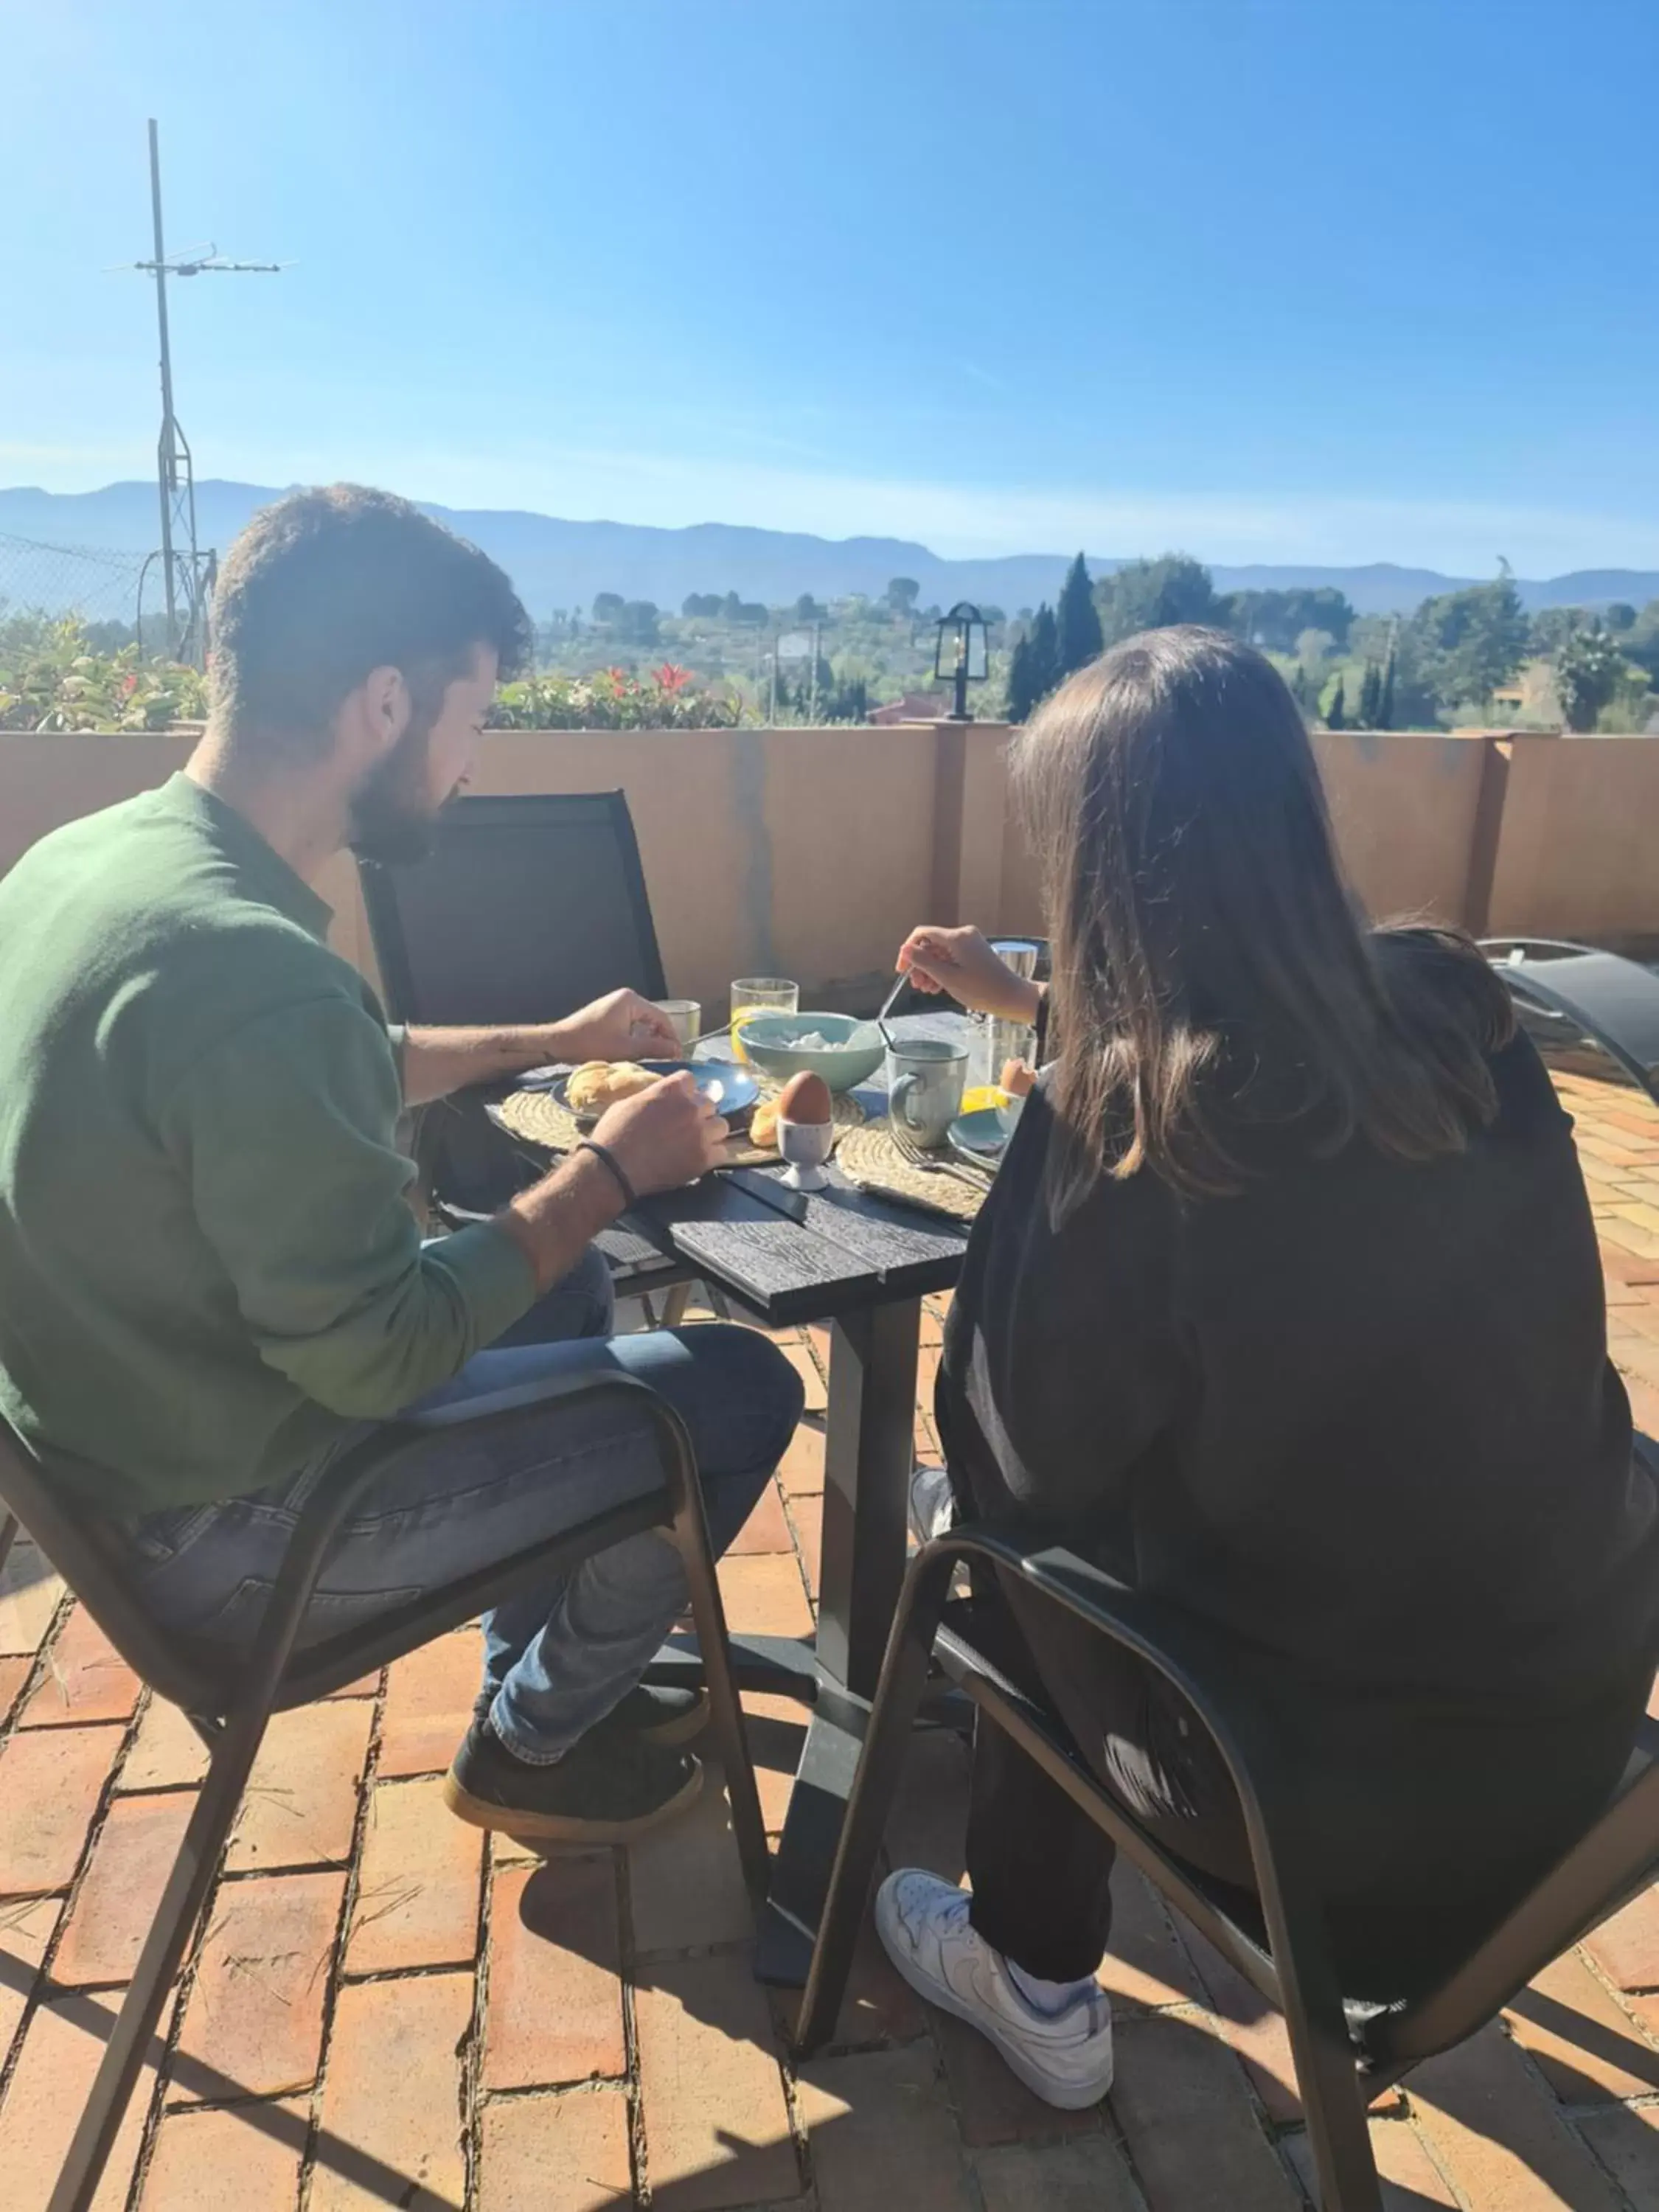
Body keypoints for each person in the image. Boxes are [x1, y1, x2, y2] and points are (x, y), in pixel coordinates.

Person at [882, 625, 1659, 2110]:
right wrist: (1048, 1019)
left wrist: (1055, 1112)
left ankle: (1035, 1974)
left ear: (1098, 865)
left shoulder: (1127, 1127)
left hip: (1313, 1820)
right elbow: (1273, 1074)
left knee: (983, 1530)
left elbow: (1009, 1449)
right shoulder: (1458, 1016)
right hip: (1563, 1750)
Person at [0, 484, 803, 1846]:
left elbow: (321, 1061)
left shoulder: (90, 868)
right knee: (732, 1390)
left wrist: (552, 1038)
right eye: (472, 716)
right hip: (244, 1543)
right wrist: (608, 1173)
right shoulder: (256, 969)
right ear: (385, 704)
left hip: (115, 1463)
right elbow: (382, 1353)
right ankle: (536, 1743)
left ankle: (537, 1685)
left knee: (554, 1296)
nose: (472, 760)